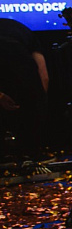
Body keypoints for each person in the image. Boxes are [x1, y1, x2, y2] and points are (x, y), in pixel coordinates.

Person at [0, 17, 49, 163]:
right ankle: (31, 153)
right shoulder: (22, 30)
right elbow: (44, 76)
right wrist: (39, 102)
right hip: (25, 71)